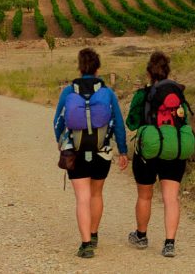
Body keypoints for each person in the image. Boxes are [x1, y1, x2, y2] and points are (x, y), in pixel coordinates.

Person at [52, 47, 128, 259]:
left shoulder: (68, 91)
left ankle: (85, 244)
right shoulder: (107, 93)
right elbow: (119, 124)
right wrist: (122, 151)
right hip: (101, 152)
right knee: (96, 194)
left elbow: (57, 121)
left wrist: (62, 142)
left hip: (75, 152)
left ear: (79, 67)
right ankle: (94, 234)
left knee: (82, 197)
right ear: (98, 69)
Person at [126, 50, 187, 258]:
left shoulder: (143, 95)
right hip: (173, 152)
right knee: (171, 197)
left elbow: (131, 123)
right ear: (168, 71)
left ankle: (141, 236)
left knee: (145, 195)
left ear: (149, 73)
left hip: (148, 152)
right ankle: (169, 243)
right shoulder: (178, 94)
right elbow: (184, 120)